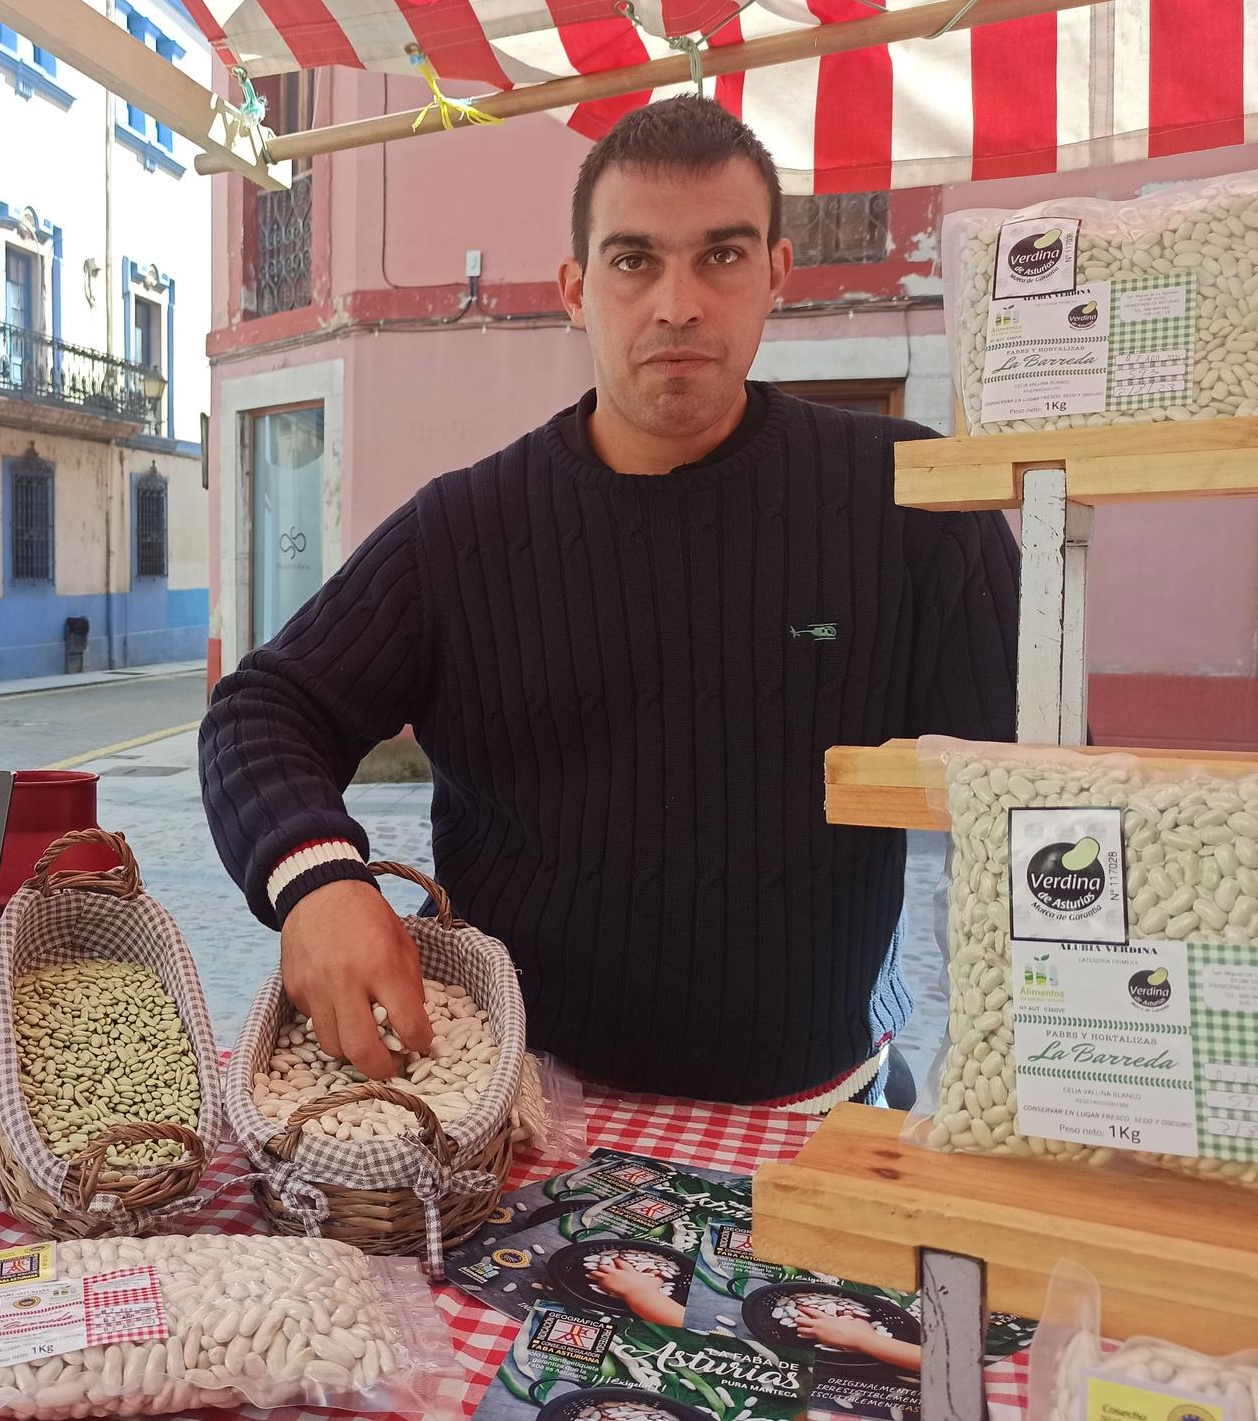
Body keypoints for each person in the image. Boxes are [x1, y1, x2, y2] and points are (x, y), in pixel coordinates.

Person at [199, 96, 1018, 1112]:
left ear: (774, 275)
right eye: (634, 260)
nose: (675, 302)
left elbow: (1037, 794)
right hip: (523, 1115)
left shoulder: (911, 503)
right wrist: (316, 878)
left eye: (718, 256)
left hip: (816, 1109)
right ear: (576, 290)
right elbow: (262, 708)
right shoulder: (463, 530)